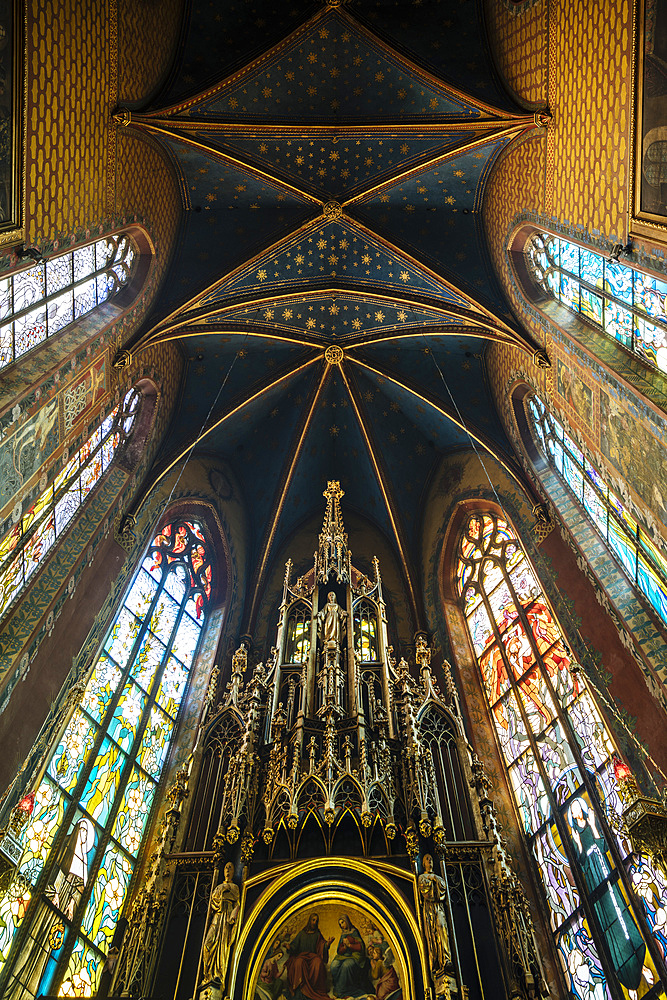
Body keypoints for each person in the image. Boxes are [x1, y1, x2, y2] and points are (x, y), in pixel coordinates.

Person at [201, 861, 240, 986]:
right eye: (226, 868)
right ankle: (207, 975)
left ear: (234, 872)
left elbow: (238, 904)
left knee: (222, 946)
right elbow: (214, 902)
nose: (228, 869)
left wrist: (233, 915)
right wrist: (223, 894)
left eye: (231, 868)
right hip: (217, 917)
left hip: (227, 918)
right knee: (207, 944)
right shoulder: (218, 887)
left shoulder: (235, 887)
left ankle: (219, 975)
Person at [285, 912, 333, 1000]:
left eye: (316, 921)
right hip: (301, 956)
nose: (314, 922)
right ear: (309, 921)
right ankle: (300, 991)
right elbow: (294, 946)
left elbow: (322, 945)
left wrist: (327, 944)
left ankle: (315, 990)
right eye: (313, 920)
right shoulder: (302, 933)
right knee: (299, 962)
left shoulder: (317, 934)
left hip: (313, 957)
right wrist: (289, 947)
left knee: (318, 963)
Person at [418, 855, 451, 974]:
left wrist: (434, 879)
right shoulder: (422, 877)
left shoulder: (437, 877)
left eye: (431, 858)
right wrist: (433, 880)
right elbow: (425, 891)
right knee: (432, 933)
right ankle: (436, 962)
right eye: (426, 859)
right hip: (429, 908)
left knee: (442, 928)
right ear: (422, 863)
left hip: (439, 907)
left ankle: (446, 960)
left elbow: (442, 888)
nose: (430, 860)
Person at [330, 913, 373, 998]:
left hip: (355, 956)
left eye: (343, 922)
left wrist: (350, 945)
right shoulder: (343, 934)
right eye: (340, 924)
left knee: (346, 965)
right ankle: (338, 987)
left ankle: (344, 990)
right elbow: (339, 950)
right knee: (334, 965)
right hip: (344, 956)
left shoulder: (354, 932)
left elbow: (361, 947)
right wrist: (345, 947)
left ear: (347, 921)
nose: (341, 925)